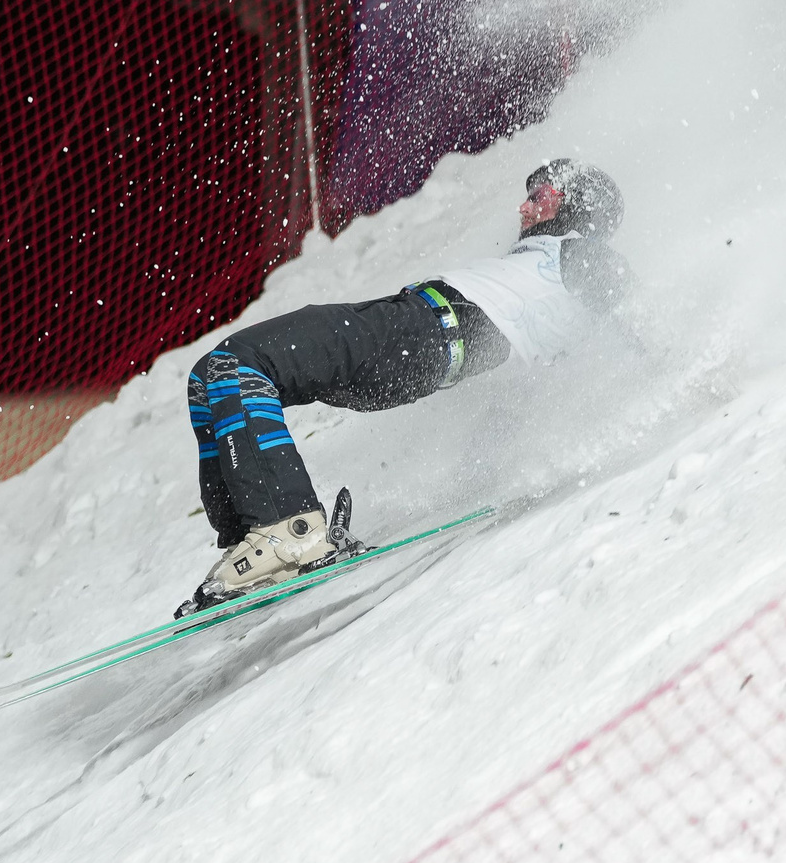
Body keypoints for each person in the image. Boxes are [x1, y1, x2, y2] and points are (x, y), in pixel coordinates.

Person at [181, 157, 630, 613]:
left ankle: (289, 530)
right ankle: (249, 538)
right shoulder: (540, 264)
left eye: (539, 196)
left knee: (239, 363)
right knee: (206, 378)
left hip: (420, 333)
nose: (523, 207)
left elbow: (624, 304)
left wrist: (679, 364)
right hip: (412, 334)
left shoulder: (578, 253)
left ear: (578, 207)